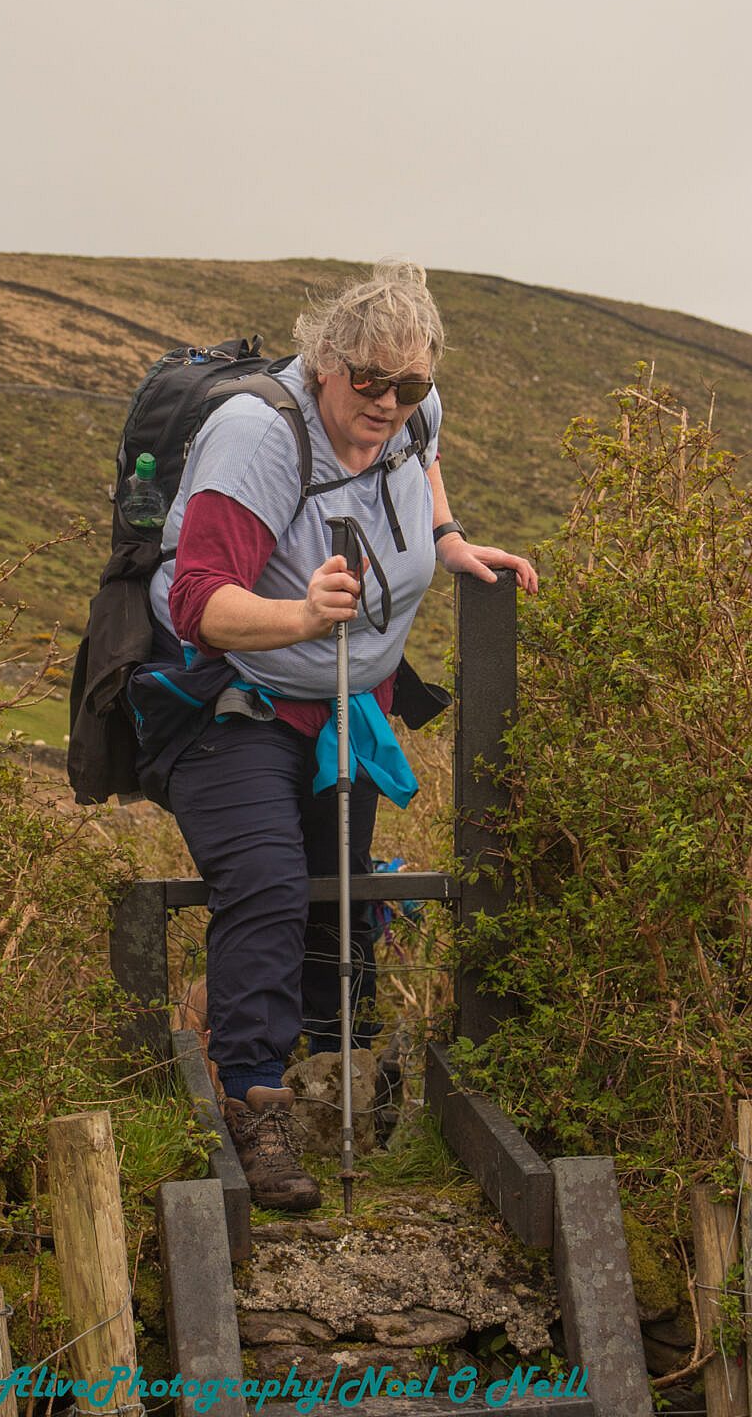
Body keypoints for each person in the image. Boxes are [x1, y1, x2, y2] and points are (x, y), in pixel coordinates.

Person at [145, 260, 538, 1210]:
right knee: (271, 885)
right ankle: (256, 1106)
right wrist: (302, 618)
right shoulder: (258, 438)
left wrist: (447, 542)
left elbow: (425, 460)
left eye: (409, 385)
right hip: (228, 696)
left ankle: (341, 1079)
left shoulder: (411, 412)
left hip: (343, 705)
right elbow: (196, 601)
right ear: (324, 360)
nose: (388, 403)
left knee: (341, 893)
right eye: (368, 381)